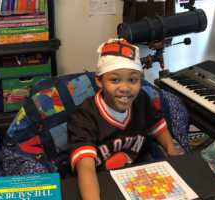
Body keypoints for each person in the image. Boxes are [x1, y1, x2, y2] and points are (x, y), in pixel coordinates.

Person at [67, 38, 183, 200]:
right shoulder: (84, 116)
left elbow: (157, 125)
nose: (125, 88)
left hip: (134, 175)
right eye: (114, 80)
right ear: (99, 80)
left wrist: (171, 150)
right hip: (97, 180)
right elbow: (86, 168)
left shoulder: (140, 99)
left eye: (133, 80)